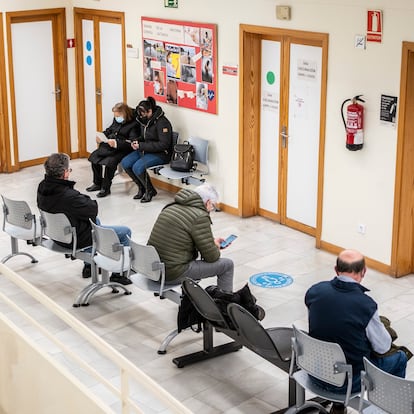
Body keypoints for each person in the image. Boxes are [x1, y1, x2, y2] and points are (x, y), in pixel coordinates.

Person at [305, 249, 408, 414]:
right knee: (399, 358)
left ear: (336, 269)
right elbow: (382, 347)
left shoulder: (315, 291)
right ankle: (388, 409)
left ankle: (338, 407)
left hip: (315, 372)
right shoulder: (365, 305)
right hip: (347, 383)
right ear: (364, 272)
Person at [37, 153, 133, 284]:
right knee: (125, 232)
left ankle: (89, 265)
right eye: (69, 170)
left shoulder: (42, 187)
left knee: (93, 222)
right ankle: (119, 273)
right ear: (65, 173)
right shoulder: (69, 196)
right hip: (74, 240)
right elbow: (93, 208)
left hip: (57, 235)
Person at [147, 184, 234, 292]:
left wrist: (211, 242)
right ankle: (225, 302)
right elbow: (212, 257)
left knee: (193, 257)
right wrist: (215, 247)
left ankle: (188, 297)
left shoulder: (171, 206)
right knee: (227, 265)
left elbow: (183, 238)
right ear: (208, 203)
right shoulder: (200, 216)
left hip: (152, 268)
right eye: (213, 206)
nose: (212, 209)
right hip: (171, 273)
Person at [120, 96, 173, 203]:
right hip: (146, 150)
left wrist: (142, 146)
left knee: (137, 167)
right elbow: (144, 137)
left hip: (161, 154)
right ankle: (142, 187)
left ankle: (149, 190)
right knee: (125, 163)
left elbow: (164, 145)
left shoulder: (162, 123)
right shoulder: (144, 121)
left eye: (144, 114)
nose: (142, 116)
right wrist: (136, 141)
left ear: (150, 111)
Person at [86, 103, 139, 198]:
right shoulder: (117, 119)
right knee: (94, 158)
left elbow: (132, 142)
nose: (116, 118)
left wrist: (116, 143)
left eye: (118, 116)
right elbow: (110, 130)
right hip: (110, 145)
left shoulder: (134, 124)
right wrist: (101, 136)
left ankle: (106, 188)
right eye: (115, 116)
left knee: (110, 162)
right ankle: (97, 183)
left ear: (124, 114)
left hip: (123, 148)